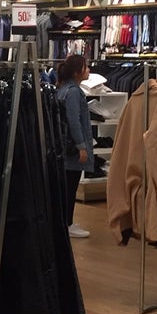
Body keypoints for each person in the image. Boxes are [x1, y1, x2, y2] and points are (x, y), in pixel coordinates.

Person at [56, 54, 94, 239]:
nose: (89, 70)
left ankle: (66, 222)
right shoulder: (73, 92)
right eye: (86, 67)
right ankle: (67, 223)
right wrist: (81, 146)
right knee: (70, 187)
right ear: (77, 71)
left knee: (67, 187)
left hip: (66, 147)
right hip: (72, 149)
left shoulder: (64, 89)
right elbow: (74, 121)